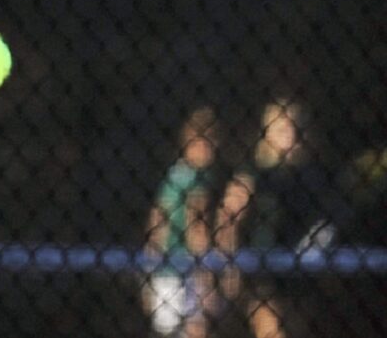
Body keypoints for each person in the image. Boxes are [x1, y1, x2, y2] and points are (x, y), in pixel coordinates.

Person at [215, 97, 333, 338]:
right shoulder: (254, 172)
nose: (290, 135)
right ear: (267, 133)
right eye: (282, 129)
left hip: (302, 274)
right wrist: (229, 264)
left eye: (295, 128)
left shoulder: (312, 175)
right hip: (263, 273)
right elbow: (228, 217)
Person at [143, 105, 224, 338]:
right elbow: (195, 228)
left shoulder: (174, 173)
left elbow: (155, 222)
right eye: (204, 141)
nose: (210, 148)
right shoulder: (196, 178)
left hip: (164, 270)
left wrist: (149, 269)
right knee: (195, 330)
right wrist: (205, 278)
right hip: (184, 270)